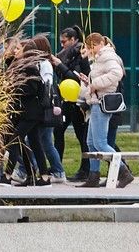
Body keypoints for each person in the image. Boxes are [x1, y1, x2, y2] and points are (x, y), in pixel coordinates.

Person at [79, 32, 133, 188]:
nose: (91, 50)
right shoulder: (100, 57)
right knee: (91, 142)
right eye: (90, 47)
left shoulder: (107, 56)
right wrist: (89, 81)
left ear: (100, 44)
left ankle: (123, 171)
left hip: (101, 102)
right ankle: (93, 175)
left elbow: (117, 73)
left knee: (100, 143)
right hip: (96, 101)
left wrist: (95, 83)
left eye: (92, 47)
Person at [4, 40, 51, 187]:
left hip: (32, 112)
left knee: (15, 139)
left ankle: (7, 175)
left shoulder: (30, 67)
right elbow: (8, 63)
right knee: (33, 143)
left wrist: (13, 87)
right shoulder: (21, 65)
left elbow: (32, 88)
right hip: (25, 112)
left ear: (26, 51)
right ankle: (38, 176)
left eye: (18, 48)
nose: (15, 51)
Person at [51, 26, 91, 181]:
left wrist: (60, 65)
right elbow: (63, 75)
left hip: (79, 100)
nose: (62, 45)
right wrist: (57, 65)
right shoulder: (65, 54)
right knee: (58, 130)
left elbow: (76, 78)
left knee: (82, 136)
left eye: (64, 41)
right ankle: (57, 166)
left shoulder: (80, 54)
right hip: (68, 99)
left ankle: (86, 169)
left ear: (73, 40)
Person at [31, 34, 66, 183]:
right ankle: (58, 171)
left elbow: (47, 84)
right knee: (46, 142)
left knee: (33, 140)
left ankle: (28, 170)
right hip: (44, 107)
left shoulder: (44, 65)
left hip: (44, 108)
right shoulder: (40, 63)